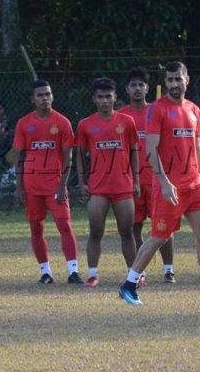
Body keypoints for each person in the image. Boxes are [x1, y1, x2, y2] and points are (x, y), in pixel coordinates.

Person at [118, 61, 200, 306]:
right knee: (159, 237)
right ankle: (129, 284)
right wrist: (164, 182)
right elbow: (150, 148)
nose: (173, 84)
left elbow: (197, 147)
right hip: (169, 187)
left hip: (194, 185)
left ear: (186, 80)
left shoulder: (193, 109)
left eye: (177, 79)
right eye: (169, 80)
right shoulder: (157, 110)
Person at [12, 79, 83, 284]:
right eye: (40, 95)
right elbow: (19, 157)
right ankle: (46, 272)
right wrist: (19, 187)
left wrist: (63, 186)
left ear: (52, 96)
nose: (45, 98)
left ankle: (73, 271)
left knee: (65, 226)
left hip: (55, 185)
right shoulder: (24, 123)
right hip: (32, 186)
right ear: (32, 99)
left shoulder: (62, 123)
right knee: (36, 228)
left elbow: (68, 157)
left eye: (48, 94)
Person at [76, 77, 139, 288]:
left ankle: (134, 274)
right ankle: (93, 274)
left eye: (108, 96)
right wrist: (83, 183)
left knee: (127, 232)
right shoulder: (85, 124)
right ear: (94, 99)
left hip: (123, 186)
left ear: (115, 97)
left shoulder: (126, 122)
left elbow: (133, 152)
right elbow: (79, 155)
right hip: (98, 188)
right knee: (95, 231)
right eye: (100, 97)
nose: (105, 101)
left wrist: (136, 181)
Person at [118, 67, 176, 284]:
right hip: (132, 181)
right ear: (127, 89)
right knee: (135, 227)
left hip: (157, 179)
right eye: (133, 85)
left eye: (141, 85)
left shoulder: (157, 111)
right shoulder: (121, 116)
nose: (137, 89)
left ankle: (169, 269)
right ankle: (138, 272)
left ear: (147, 88)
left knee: (165, 226)